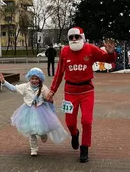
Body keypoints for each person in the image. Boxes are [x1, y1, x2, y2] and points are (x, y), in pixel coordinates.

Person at [46, 27, 116, 163]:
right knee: (70, 122)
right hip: (70, 93)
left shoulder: (90, 49)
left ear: (82, 37)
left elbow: (108, 59)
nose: (73, 39)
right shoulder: (65, 51)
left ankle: (84, 147)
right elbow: (59, 72)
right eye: (71, 37)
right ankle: (74, 134)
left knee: (87, 121)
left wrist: (111, 53)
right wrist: (52, 91)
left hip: (86, 92)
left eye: (76, 37)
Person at [0, 67, 68, 156]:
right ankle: (34, 148)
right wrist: (4, 82)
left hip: (41, 111)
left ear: (40, 79)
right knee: (32, 131)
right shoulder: (25, 86)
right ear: (29, 78)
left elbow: (49, 98)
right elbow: (14, 88)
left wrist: (49, 100)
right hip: (28, 111)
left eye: (36, 79)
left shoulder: (43, 88)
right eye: (32, 78)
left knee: (41, 129)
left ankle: (43, 134)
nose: (34, 81)